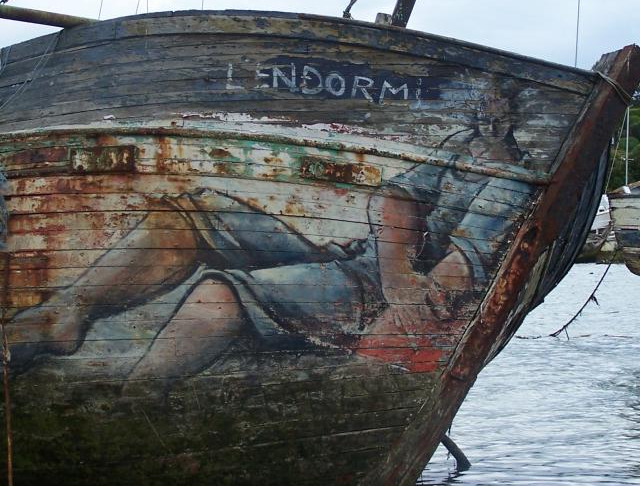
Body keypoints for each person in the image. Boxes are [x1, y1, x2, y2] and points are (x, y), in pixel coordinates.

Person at [8, 92, 531, 394]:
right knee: (201, 209)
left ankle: (131, 401)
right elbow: (398, 195)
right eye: (481, 109)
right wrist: (397, 274)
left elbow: (453, 278)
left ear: (511, 121)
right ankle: (65, 313)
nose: (483, 118)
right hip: (363, 266)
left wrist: (390, 307)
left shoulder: (512, 180)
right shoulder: (461, 152)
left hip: (362, 288)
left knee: (225, 295)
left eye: (494, 112)